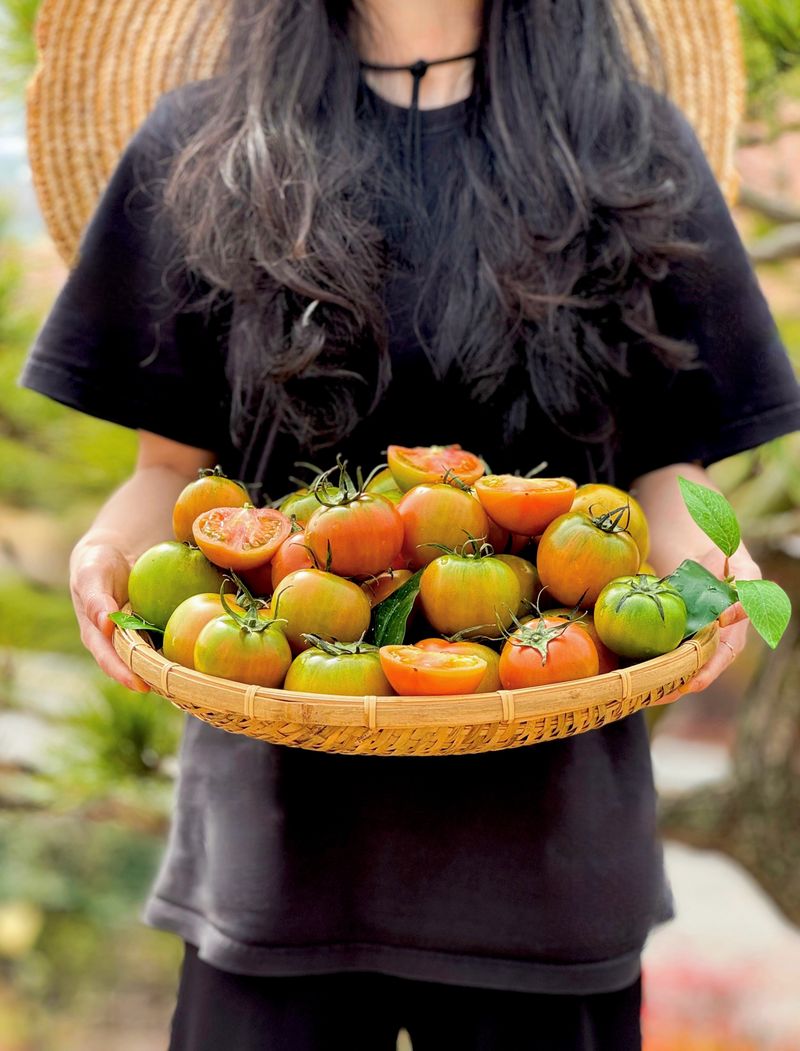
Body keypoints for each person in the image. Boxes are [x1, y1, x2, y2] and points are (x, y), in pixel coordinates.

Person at [20, 0, 800, 1047]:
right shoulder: (206, 144)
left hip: (544, 842)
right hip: (277, 841)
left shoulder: (629, 146)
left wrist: (710, 566)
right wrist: (110, 551)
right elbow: (171, 472)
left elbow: (664, 469)